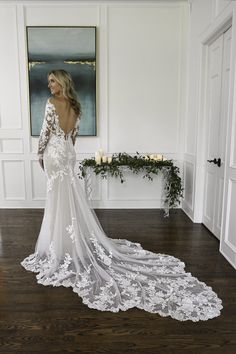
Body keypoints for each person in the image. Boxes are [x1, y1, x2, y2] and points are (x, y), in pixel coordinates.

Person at [21, 69, 222, 321]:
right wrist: (66, 154)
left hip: (54, 153)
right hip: (68, 155)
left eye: (52, 80)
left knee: (57, 198)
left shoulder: (52, 103)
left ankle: (59, 243)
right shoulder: (75, 105)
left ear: (61, 82)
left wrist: (40, 155)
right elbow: (73, 138)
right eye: (48, 81)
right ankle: (68, 241)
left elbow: (45, 134)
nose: (49, 84)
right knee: (69, 197)